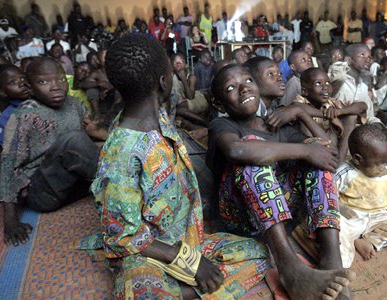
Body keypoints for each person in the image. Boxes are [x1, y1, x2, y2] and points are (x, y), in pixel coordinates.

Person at [89, 33, 270, 299]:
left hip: (189, 237)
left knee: (260, 253)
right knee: (142, 289)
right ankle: (188, 289)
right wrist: (189, 262)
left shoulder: (158, 117)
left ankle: (186, 289)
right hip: (150, 252)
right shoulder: (121, 153)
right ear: (164, 82)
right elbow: (120, 237)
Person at [207, 64, 355, 299]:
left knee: (313, 153)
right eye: (231, 88)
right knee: (253, 152)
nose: (244, 90)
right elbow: (236, 149)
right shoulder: (223, 125)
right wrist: (304, 151)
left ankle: (331, 258)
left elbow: (328, 154)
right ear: (219, 104)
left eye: (247, 81)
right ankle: (290, 269)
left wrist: (301, 113)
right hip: (241, 217)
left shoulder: (276, 126)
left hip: (282, 214)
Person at [0, 57, 99, 246]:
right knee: (74, 139)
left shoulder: (73, 103)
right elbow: (7, 165)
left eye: (61, 79)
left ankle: (114, 183)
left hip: (72, 184)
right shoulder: (25, 114)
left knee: (100, 143)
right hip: (42, 193)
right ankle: (122, 187)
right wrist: (10, 222)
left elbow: (91, 138)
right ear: (29, 86)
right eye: (43, 82)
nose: (56, 87)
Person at [336, 125, 387, 266]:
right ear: (358, 159)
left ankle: (369, 242)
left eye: (386, 162)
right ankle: (342, 260)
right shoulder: (346, 173)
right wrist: (342, 209)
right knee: (337, 230)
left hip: (378, 216)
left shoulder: (385, 173)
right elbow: (328, 191)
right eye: (379, 163)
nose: (384, 167)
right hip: (353, 218)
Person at [0, 64, 30, 149]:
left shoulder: (40, 101)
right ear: (3, 92)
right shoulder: (7, 117)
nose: (22, 83)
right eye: (13, 82)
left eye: (23, 78)